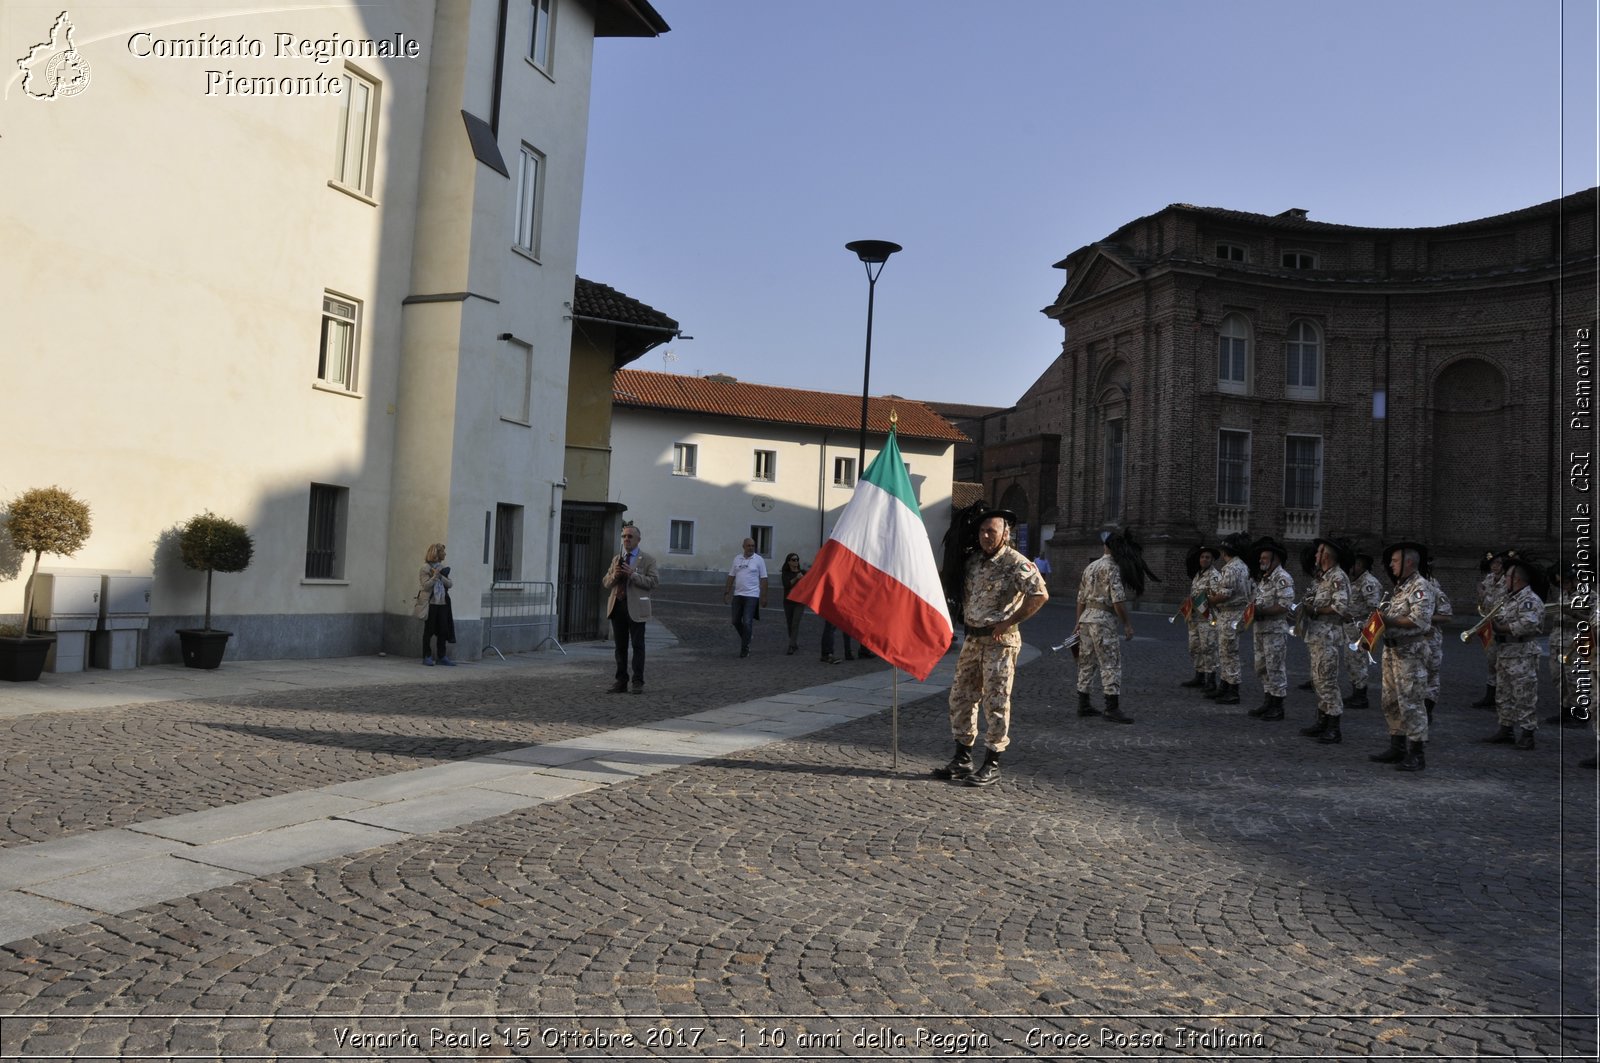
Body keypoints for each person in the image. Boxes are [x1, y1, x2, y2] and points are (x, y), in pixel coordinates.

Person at [931, 508, 1048, 788]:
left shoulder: (1016, 563)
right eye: (982, 531)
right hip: (972, 640)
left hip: (1000, 643)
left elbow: (1040, 594)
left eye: (991, 531)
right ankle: (962, 758)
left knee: (995, 701)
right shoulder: (973, 561)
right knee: (961, 697)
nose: (985, 536)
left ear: (1005, 534)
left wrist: (1010, 621)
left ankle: (992, 763)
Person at [1370, 541, 1436, 772]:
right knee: (1390, 701)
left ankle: (1417, 753)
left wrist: (1388, 621)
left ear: (1409, 562)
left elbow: (1420, 620)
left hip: (1410, 652)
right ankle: (1397, 746)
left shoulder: (1421, 587)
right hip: (1392, 651)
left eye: (1395, 560)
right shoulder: (1400, 588)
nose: (1391, 564)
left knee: (1411, 702)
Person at [1481, 556, 1548, 750]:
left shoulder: (1530, 600)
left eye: (1508, 577)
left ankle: (1527, 734)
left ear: (1516, 579)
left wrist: (1502, 628)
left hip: (1522, 653)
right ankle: (1506, 729)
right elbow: (1498, 616)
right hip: (1505, 652)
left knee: (1524, 694)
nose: (1504, 580)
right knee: (1504, 693)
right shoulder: (1509, 599)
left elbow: (1529, 623)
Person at [1073, 531, 1138, 724]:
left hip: (1086, 619)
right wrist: (1127, 624)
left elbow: (1080, 599)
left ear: (1105, 546)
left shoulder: (1090, 567)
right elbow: (1118, 600)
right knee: (1110, 663)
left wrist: (1077, 623)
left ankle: (1083, 704)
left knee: (1086, 662)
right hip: (1104, 620)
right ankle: (1112, 707)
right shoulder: (1114, 568)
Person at [1300, 537, 1352, 743]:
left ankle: (1334, 726)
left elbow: (1340, 607)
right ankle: (1322, 720)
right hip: (1316, 637)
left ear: (1326, 556)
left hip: (1327, 637)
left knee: (1327, 681)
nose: (1315, 555)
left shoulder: (1338, 577)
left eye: (1318, 551)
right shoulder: (1322, 578)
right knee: (1318, 680)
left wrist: (1315, 610)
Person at [601, 521, 658, 693]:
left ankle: (638, 681)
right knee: (620, 646)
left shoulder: (648, 559)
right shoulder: (617, 559)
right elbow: (606, 582)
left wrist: (633, 575)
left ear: (638, 540)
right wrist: (616, 576)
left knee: (638, 645)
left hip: (636, 607)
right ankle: (621, 680)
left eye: (630, 537)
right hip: (617, 606)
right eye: (624, 536)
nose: (626, 539)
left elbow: (653, 582)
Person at [1247, 538, 1296, 722]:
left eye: (1265, 557)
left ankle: (1277, 706)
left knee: (1275, 667)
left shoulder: (1282, 578)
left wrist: (1262, 611)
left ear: (1276, 558)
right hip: (1260, 629)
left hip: (1274, 631)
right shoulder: (1265, 579)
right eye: (1260, 557)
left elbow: (1284, 605)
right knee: (1262, 667)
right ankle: (1268, 700)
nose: (1261, 560)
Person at [1205, 533, 1253, 705]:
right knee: (1225, 651)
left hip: (1231, 613)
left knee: (1229, 653)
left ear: (1225, 552)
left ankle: (1232, 689)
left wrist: (1210, 599)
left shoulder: (1231, 568)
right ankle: (1225, 685)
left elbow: (1225, 594)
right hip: (1234, 613)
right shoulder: (1243, 566)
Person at [1342, 551, 1383, 709]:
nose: (1351, 568)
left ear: (1360, 565)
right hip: (1350, 630)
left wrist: (1368, 635)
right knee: (1351, 662)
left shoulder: (1368, 583)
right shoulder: (1356, 582)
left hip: (1360, 631)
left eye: (1354, 564)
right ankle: (1355, 693)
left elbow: (1375, 610)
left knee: (1359, 663)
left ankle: (1361, 697)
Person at [1470, 550, 1510, 709]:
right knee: (1491, 661)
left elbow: (1498, 603)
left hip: (1502, 625)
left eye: (1498, 563)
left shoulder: (1507, 581)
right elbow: (1483, 599)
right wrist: (1480, 590)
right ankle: (1490, 696)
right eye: (1493, 563)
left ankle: (1501, 698)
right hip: (1489, 625)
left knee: (1502, 663)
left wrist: (1483, 593)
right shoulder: (1489, 579)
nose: (1495, 566)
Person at [1180, 544, 1218, 690]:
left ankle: (1211, 679)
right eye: (1202, 557)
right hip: (1194, 618)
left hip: (1208, 619)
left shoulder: (1214, 576)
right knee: (1194, 647)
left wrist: (1203, 599)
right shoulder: (1197, 575)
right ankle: (1199, 675)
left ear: (1212, 559)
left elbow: (1215, 597)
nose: (1204, 559)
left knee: (1208, 648)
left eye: (1207, 557)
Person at [723, 537, 768, 658]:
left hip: (752, 595)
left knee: (747, 622)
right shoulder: (737, 559)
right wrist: (727, 592)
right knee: (735, 621)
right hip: (738, 594)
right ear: (743, 546)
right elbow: (731, 575)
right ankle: (747, 636)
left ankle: (745, 648)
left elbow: (764, 579)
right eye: (748, 545)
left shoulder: (759, 560)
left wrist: (763, 596)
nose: (751, 548)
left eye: (753, 546)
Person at [416, 542, 455, 666]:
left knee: (443, 630)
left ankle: (442, 656)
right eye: (443, 552)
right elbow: (425, 586)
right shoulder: (425, 568)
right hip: (431, 603)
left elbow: (450, 584)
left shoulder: (442, 568)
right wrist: (434, 577)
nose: (445, 554)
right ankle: (426, 656)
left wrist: (440, 576)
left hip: (442, 603)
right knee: (429, 630)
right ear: (436, 553)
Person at [778, 553, 806, 654]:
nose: (796, 561)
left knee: (795, 623)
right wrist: (796, 578)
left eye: (797, 559)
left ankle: (791, 645)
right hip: (788, 602)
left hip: (799, 602)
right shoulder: (786, 573)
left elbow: (809, 584)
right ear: (788, 561)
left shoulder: (803, 572)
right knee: (790, 624)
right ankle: (794, 643)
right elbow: (786, 585)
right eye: (793, 560)